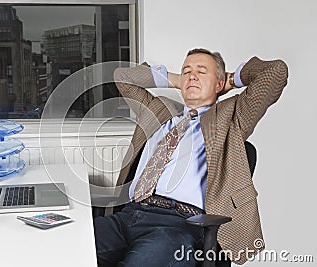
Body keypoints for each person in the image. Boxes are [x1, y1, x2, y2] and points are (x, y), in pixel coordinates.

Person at [93, 48, 288, 266]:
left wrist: (230, 80)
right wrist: (182, 80)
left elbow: (276, 72)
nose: (192, 75)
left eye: (202, 71)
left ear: (218, 84)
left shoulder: (231, 118)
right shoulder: (158, 111)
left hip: (178, 225)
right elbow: (123, 77)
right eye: (186, 70)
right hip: (128, 215)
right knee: (65, 243)